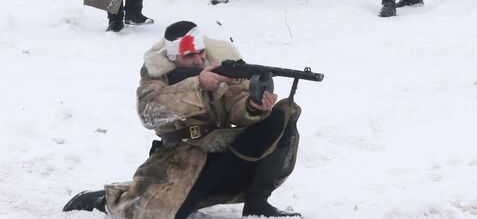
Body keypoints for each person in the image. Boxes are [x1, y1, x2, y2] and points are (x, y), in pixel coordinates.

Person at [62, 21, 302, 218]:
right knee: (160, 211)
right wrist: (197, 85)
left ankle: (257, 205)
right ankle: (109, 198)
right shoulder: (156, 75)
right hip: (182, 160)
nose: (198, 60)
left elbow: (236, 108)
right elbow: (149, 112)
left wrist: (253, 105)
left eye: (200, 52)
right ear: (173, 57)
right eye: (189, 56)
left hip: (223, 152)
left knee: (281, 118)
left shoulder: (223, 66)